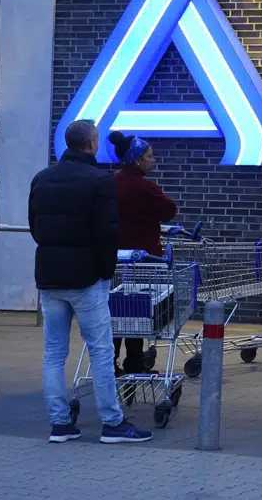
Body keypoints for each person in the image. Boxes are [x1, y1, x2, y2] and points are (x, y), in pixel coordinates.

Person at [30, 119, 152, 444]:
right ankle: (112, 421)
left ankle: (59, 423)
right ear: (91, 144)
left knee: (53, 352)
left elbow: (35, 227)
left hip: (50, 276)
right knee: (100, 350)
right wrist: (105, 271)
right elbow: (108, 232)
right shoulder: (100, 181)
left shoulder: (41, 179)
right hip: (86, 277)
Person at [107, 130, 177, 376]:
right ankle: (134, 362)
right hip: (143, 259)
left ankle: (110, 362)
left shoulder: (110, 182)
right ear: (137, 159)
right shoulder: (145, 187)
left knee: (115, 310)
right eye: (149, 156)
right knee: (137, 311)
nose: (153, 160)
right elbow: (169, 210)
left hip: (113, 258)